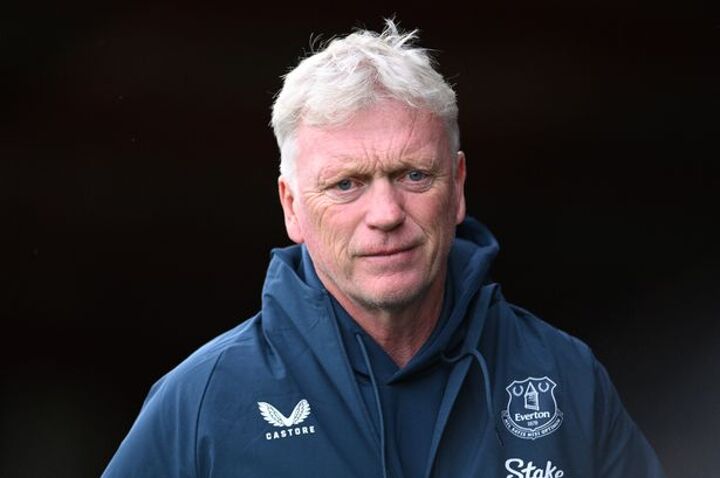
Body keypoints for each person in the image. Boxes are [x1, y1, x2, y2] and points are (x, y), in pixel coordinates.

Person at [103, 20, 665, 477]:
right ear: (292, 206)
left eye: (414, 175)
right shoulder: (202, 402)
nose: (386, 214)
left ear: (458, 186)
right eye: (346, 184)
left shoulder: (565, 377)